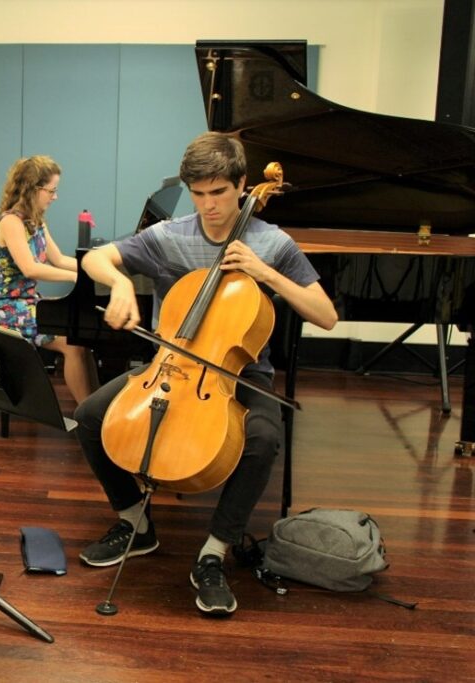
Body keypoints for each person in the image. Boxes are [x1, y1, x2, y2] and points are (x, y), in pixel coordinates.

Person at [75, 133, 338, 615]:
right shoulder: (170, 236)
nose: (208, 205)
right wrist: (116, 283)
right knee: (90, 416)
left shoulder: (272, 242)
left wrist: (268, 274)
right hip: (171, 365)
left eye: (218, 192)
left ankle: (214, 551)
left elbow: (326, 315)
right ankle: (136, 523)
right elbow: (96, 258)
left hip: (239, 370)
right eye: (198, 194)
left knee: (263, 438)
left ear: (241, 185)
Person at [0, 155, 97, 404]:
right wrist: (78, 277)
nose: (55, 196)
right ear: (34, 189)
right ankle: (88, 415)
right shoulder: (10, 222)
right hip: (6, 308)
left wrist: (95, 268)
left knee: (83, 338)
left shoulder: (35, 221)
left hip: (28, 302)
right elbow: (31, 269)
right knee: (73, 344)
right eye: (51, 190)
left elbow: (58, 259)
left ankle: (98, 408)